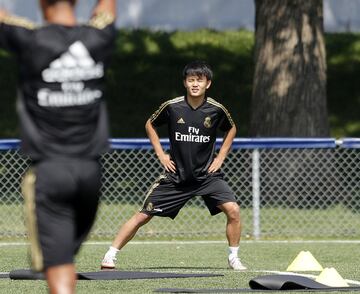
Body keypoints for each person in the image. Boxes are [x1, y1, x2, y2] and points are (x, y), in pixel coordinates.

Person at [0, 0, 116, 293]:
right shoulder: (98, 37)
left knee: (59, 263)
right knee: (66, 258)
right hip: (91, 173)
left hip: (50, 173)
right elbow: (107, 11)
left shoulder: (30, 40)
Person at [101, 61, 247, 271]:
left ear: (208, 84)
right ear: (185, 83)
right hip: (176, 177)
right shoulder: (172, 106)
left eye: (200, 80)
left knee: (233, 210)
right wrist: (161, 154)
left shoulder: (216, 110)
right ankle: (110, 255)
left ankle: (234, 258)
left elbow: (231, 128)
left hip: (207, 176)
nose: (195, 84)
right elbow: (149, 124)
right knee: (143, 215)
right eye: (191, 80)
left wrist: (221, 157)